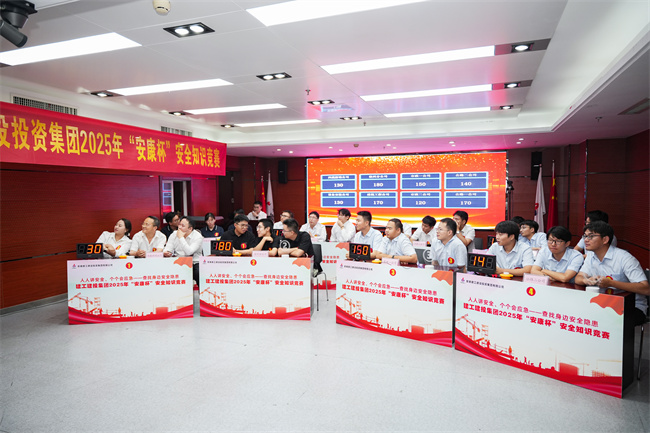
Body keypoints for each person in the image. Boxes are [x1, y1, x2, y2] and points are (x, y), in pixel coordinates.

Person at [575, 221, 649, 325]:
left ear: (605, 239)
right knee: (576, 313)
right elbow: (578, 278)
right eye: (585, 236)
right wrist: (586, 280)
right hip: (603, 303)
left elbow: (645, 289)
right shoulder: (591, 256)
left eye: (591, 236)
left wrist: (611, 283)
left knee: (604, 320)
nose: (586, 240)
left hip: (630, 306)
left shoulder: (624, 258)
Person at [163, 216, 204, 283]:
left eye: (183, 226)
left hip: (194, 262)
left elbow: (189, 252)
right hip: (178, 261)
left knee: (198, 272)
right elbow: (168, 248)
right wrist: (166, 252)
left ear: (190, 229)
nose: (179, 227)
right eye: (179, 224)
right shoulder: (174, 234)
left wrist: (181, 238)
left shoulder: (198, 237)